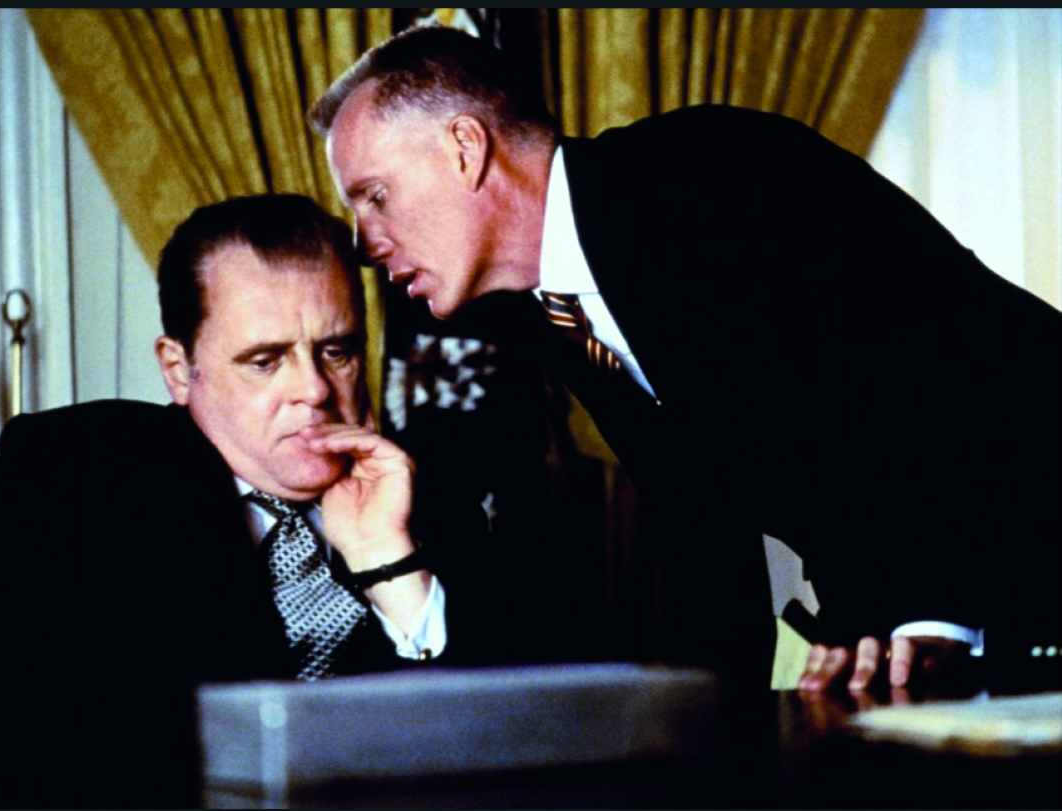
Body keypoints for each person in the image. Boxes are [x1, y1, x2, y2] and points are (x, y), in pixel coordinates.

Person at [309, 25, 1061, 692]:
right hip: (941, 600)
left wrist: (930, 617)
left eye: (375, 196)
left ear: (465, 148)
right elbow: (707, 529)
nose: (363, 244)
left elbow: (916, 384)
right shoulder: (545, 304)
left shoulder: (713, 175)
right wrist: (711, 727)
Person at [0, 194, 517, 805]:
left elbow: (505, 743)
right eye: (265, 360)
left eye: (337, 351)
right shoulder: (82, 479)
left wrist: (387, 560)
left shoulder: (427, 495)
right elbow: (50, 739)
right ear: (179, 370)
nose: (314, 389)